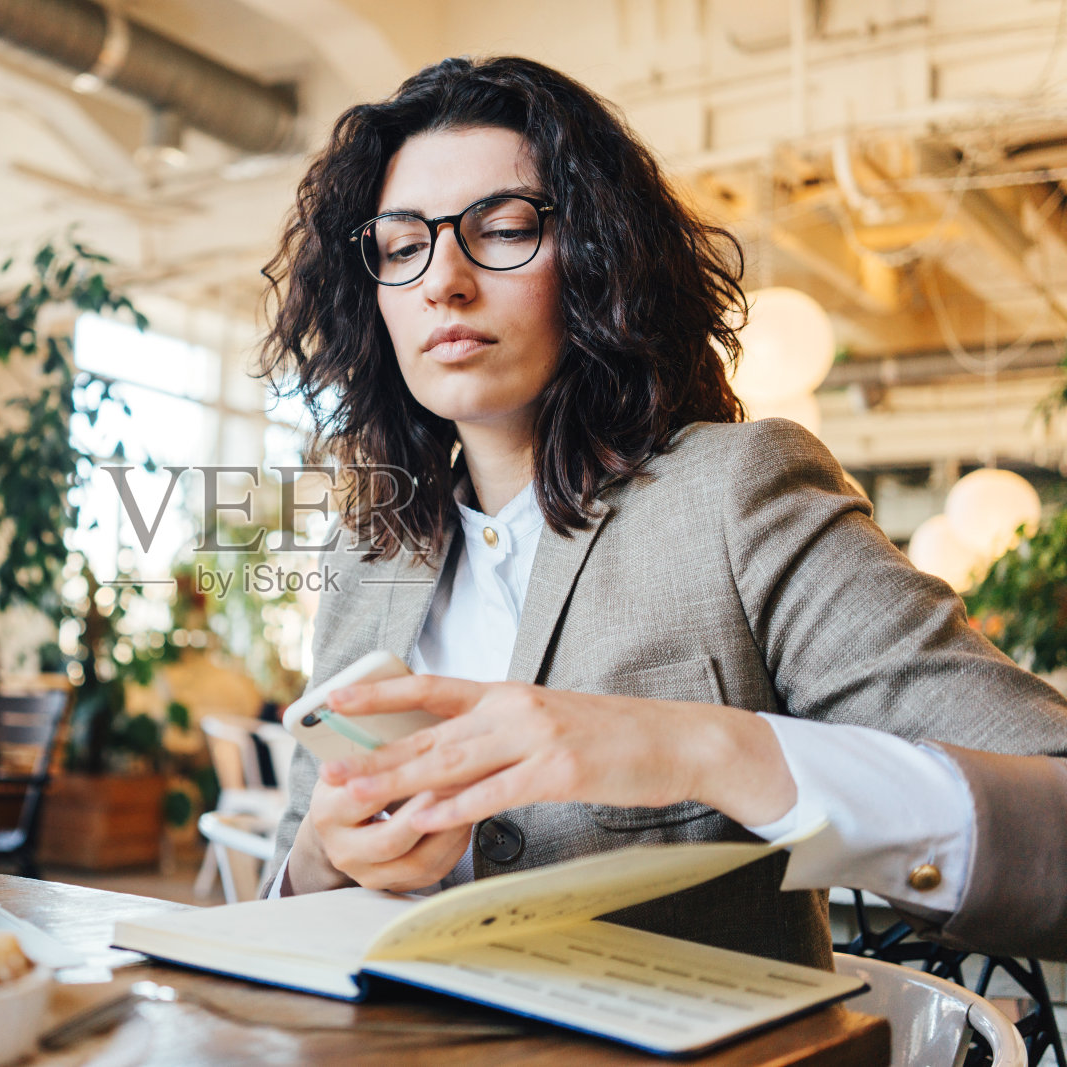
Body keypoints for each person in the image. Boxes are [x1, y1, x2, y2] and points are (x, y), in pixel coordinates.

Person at [257, 55, 1067, 966]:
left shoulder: (737, 495)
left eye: (506, 228)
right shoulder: (369, 554)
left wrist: (708, 748)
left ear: (599, 260)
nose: (443, 279)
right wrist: (320, 859)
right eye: (403, 247)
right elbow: (280, 901)